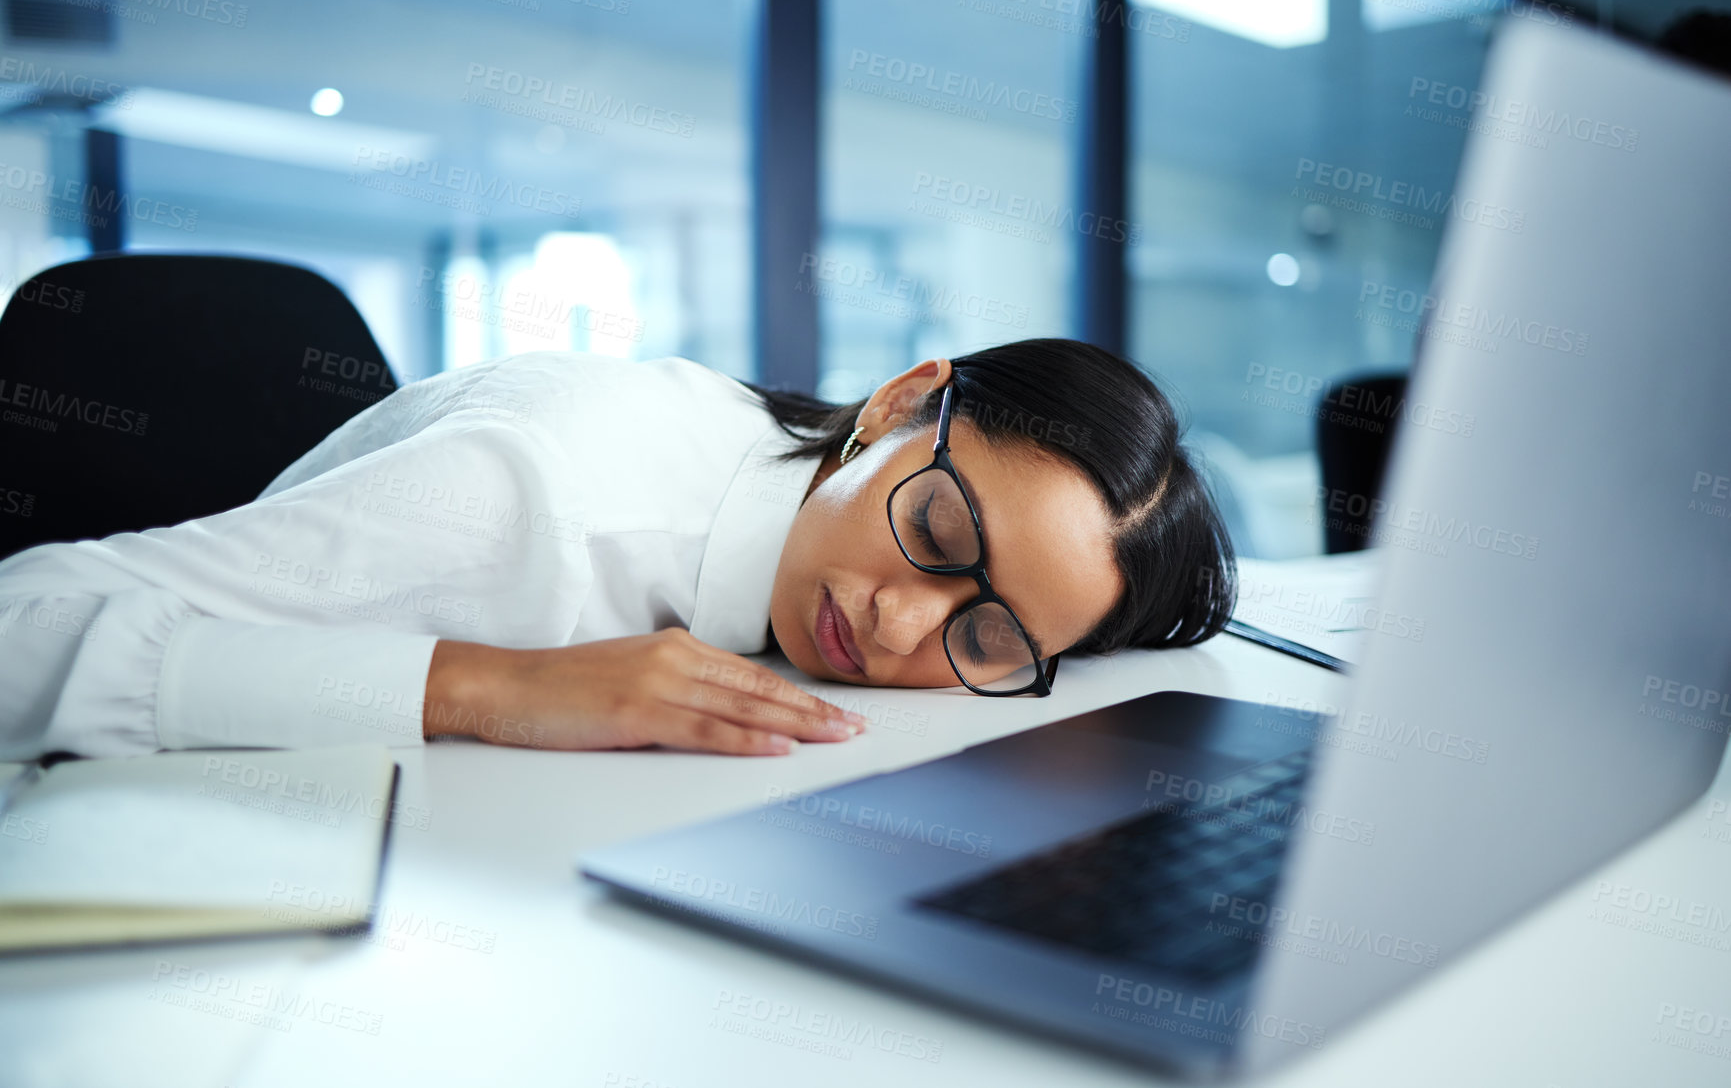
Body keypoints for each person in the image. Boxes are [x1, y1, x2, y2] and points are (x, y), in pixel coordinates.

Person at [0, 337, 1235, 760]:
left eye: (986, 637)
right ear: (899, 403)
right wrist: (488, 686)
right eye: (936, 534)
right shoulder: (534, 494)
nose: (904, 626)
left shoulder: (787, 488)